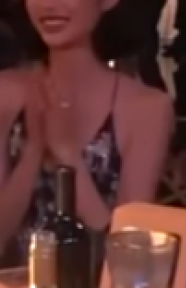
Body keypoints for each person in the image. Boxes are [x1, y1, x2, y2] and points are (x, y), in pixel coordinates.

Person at [0, 0, 174, 265]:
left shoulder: (146, 109)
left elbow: (129, 259)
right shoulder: (6, 93)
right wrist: (33, 151)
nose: (48, 4)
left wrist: (67, 155)